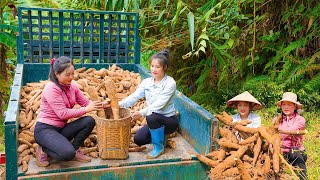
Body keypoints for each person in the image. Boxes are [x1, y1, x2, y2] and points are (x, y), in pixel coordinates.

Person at [34, 56, 102, 167]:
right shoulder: (51, 88)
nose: (71, 77)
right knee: (67, 154)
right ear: (57, 74)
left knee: (89, 121)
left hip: (61, 129)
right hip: (45, 130)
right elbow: (62, 114)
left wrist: (102, 105)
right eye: (67, 74)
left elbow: (86, 103)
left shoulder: (72, 87)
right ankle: (43, 149)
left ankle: (75, 149)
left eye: (72, 73)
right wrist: (85, 110)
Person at [118, 49, 178, 159]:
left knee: (151, 116)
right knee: (138, 140)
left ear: (164, 67)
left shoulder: (170, 83)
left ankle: (159, 147)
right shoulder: (147, 82)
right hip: (154, 119)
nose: (154, 69)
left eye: (157, 67)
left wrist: (141, 112)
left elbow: (159, 105)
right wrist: (117, 105)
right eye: (152, 66)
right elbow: (134, 96)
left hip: (169, 121)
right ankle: (162, 138)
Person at [272, 92, 307, 180]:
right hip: (280, 150)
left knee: (296, 154)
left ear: (295, 106)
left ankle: (303, 177)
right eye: (284, 104)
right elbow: (272, 135)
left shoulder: (300, 119)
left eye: (289, 104)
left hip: (295, 149)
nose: (286, 107)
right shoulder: (276, 119)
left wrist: (279, 131)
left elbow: (293, 130)